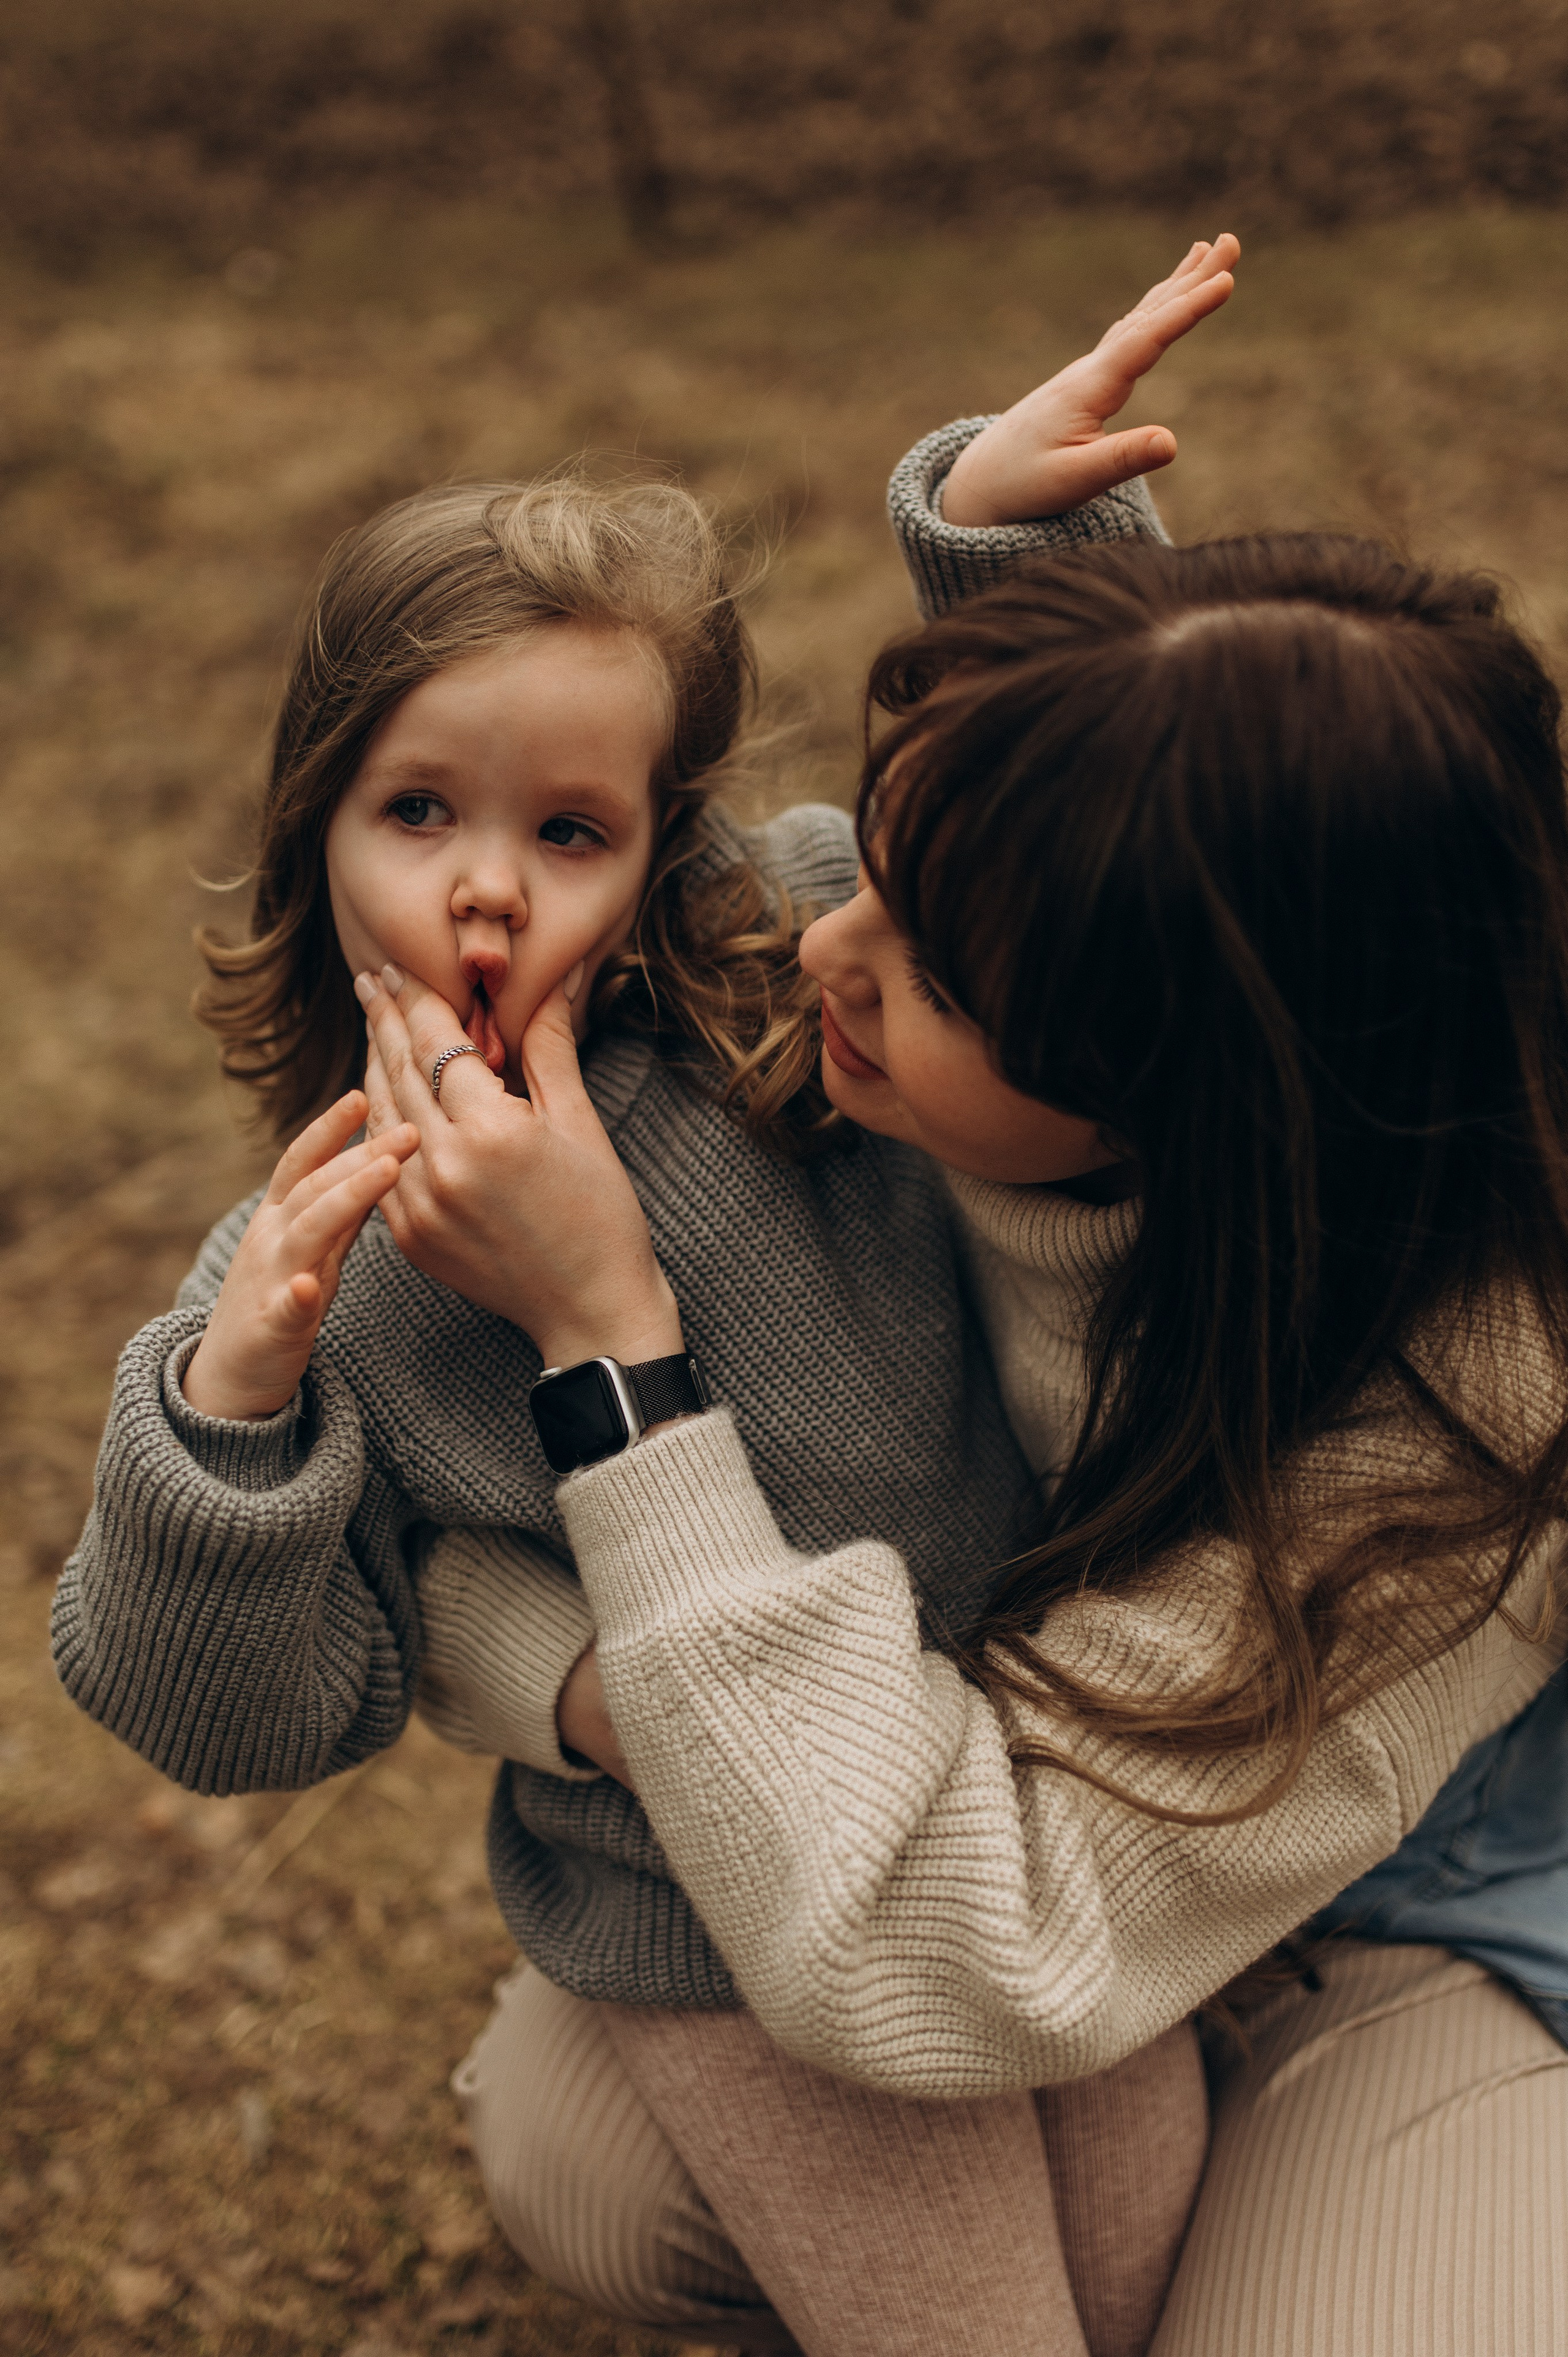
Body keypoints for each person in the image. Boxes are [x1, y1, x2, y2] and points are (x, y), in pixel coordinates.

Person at [53, 249, 1243, 2354]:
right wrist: (231, 1404)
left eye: (569, 828)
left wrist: (1013, 553)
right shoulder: (330, 1253)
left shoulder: (799, 980)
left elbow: (1072, 876)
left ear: (667, 839)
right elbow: (242, 1709)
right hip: (719, 1928)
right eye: (421, 811)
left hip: (1021, 1797)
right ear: (314, 812)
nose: (490, 884)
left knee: (1152, 2286)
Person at [356, 456, 1568, 2347]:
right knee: (590, 2156)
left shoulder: (1475, 1423)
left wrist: (615, 1357)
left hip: (1428, 1911)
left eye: (930, 965)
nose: (823, 935)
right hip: (1017, 1812)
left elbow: (948, 1951)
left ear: (1195, 1095)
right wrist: (1034, 583)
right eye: (887, 874)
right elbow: (390, 1558)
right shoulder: (1107, 1058)